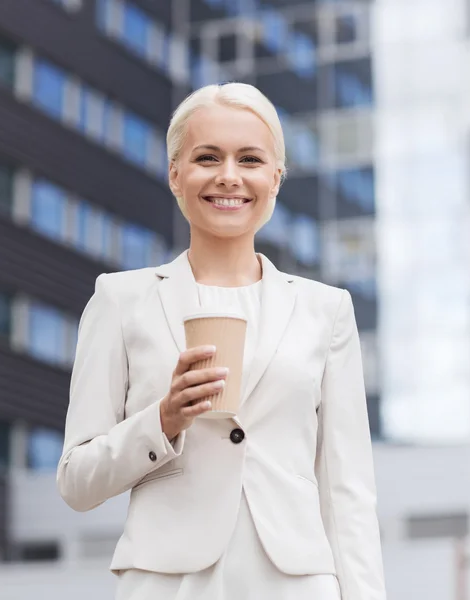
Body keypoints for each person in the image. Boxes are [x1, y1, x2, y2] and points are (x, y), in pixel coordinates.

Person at [57, 82, 386, 600]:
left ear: (275, 178)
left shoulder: (327, 310)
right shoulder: (120, 300)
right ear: (175, 173)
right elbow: (76, 481)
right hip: (167, 582)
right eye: (207, 157)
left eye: (250, 159)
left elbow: (348, 492)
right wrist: (163, 420)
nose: (229, 176)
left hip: (295, 583)